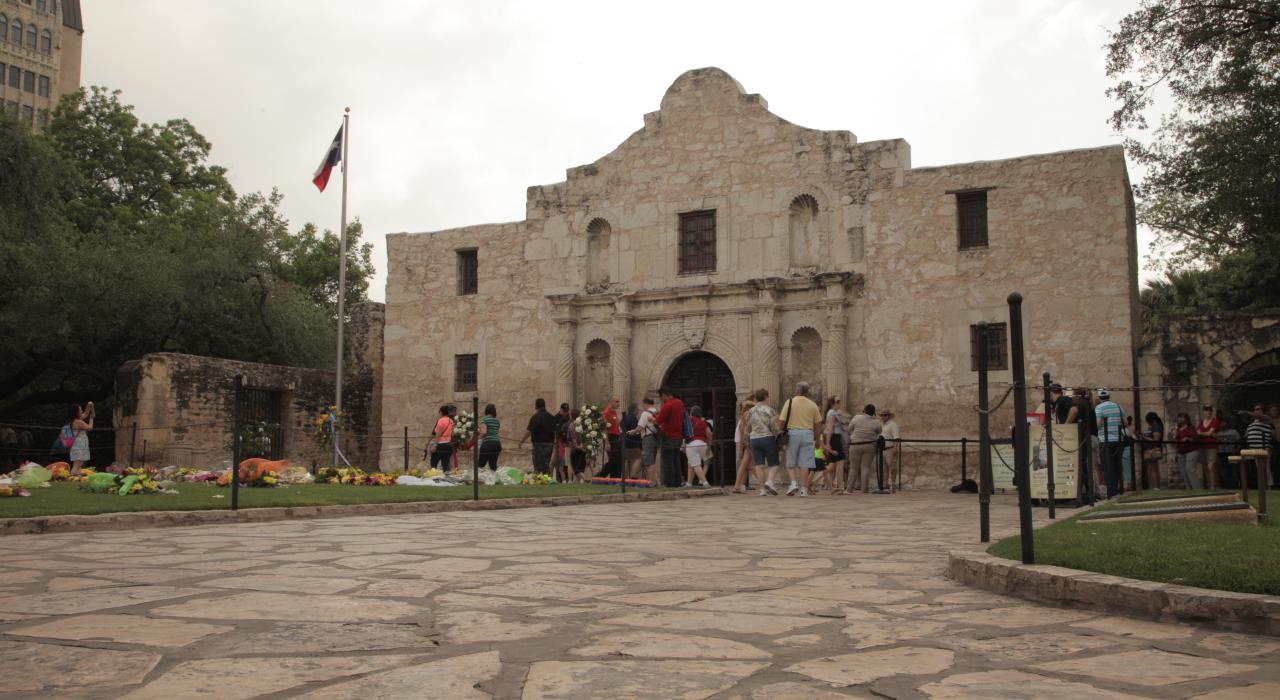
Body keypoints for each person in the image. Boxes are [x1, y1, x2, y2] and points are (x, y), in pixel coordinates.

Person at [776, 382, 823, 497]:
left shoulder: (789, 402)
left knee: (790, 461)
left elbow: (781, 421)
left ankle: (793, 483)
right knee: (805, 463)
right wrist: (818, 440)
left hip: (793, 433)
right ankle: (803, 489)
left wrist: (780, 430)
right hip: (808, 433)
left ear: (797, 390)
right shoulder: (812, 405)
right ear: (807, 391)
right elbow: (818, 425)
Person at [746, 389, 781, 496]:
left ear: (756, 398)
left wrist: (748, 441)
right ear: (766, 397)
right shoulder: (770, 410)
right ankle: (769, 482)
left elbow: (748, 428)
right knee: (774, 464)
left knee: (759, 465)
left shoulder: (750, 411)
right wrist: (779, 435)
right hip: (767, 438)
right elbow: (774, 427)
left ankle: (762, 490)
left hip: (754, 439)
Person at [1094, 389, 1126, 499]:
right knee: (1117, 465)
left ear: (1099, 398)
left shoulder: (1099, 408)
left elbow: (1097, 424)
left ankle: (1111, 491)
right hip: (1118, 440)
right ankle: (1117, 488)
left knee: (1107, 466)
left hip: (1105, 440)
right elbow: (1125, 423)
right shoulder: (1118, 406)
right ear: (1109, 396)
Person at [846, 404, 881, 493]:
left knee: (853, 468)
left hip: (855, 444)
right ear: (874, 413)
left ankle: (849, 489)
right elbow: (879, 431)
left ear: (864, 411)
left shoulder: (856, 418)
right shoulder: (876, 422)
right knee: (865, 467)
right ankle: (864, 489)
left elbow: (849, 429)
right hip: (869, 445)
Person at [655, 387, 686, 487]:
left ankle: (670, 483)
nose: (662, 399)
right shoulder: (680, 403)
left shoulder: (667, 405)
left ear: (664, 394)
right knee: (675, 460)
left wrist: (652, 418)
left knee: (668, 460)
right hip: (678, 436)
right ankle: (677, 482)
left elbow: (659, 420)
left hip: (668, 436)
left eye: (661, 397)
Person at [518, 398, 558, 475]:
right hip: (549, 444)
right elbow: (555, 431)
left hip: (538, 445)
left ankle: (540, 479)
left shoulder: (535, 417)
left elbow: (529, 431)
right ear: (544, 405)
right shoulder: (551, 417)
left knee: (538, 465)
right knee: (547, 463)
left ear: (536, 406)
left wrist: (521, 442)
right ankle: (547, 479)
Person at [1241, 404, 1275, 489]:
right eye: (1255, 409)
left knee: (1265, 468)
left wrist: (1245, 412)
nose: (1256, 411)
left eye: (1258, 409)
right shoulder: (1251, 424)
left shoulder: (1266, 419)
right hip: (1254, 449)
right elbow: (1246, 435)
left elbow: (1259, 416)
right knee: (1259, 468)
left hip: (1264, 447)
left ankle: (1269, 487)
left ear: (1263, 411)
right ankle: (1262, 487)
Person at [630, 397, 660, 484]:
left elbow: (640, 427)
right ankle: (655, 481)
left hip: (648, 438)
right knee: (649, 459)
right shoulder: (657, 412)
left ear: (646, 403)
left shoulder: (646, 413)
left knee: (649, 461)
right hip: (656, 438)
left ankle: (651, 482)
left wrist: (633, 432)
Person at [684, 405, 713, 488]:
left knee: (696, 465)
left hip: (691, 444)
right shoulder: (703, 422)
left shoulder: (688, 420)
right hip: (702, 444)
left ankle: (705, 483)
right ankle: (689, 483)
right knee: (691, 464)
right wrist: (709, 445)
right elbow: (709, 434)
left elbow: (685, 433)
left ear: (691, 412)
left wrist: (683, 445)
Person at [822, 397, 846, 494]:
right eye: (837, 401)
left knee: (832, 464)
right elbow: (830, 429)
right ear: (832, 404)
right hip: (835, 438)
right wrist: (828, 444)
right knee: (840, 463)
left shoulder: (831, 412)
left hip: (834, 438)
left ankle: (815, 481)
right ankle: (840, 487)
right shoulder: (832, 413)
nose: (839, 403)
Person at [1173, 412, 1202, 489]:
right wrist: (1176, 453)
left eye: (1182, 417)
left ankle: (1197, 488)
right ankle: (1189, 488)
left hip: (1191, 450)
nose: (1180, 419)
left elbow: (1195, 438)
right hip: (1181, 452)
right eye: (1179, 417)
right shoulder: (1178, 429)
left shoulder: (1191, 428)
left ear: (1186, 419)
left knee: (1190, 469)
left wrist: (1188, 438)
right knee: (1183, 471)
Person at [732, 399, 755, 493]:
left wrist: (741, 448)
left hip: (747, 443)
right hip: (748, 443)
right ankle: (739, 485)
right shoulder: (745, 418)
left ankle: (738, 485)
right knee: (747, 465)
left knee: (747, 465)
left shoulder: (744, 418)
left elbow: (743, 434)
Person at [1195, 404, 1220, 489]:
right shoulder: (1201, 422)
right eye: (1206, 410)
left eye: (1209, 410)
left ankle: (1213, 486)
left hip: (1211, 446)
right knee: (1204, 467)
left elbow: (1210, 433)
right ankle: (1207, 486)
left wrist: (1202, 434)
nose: (1208, 412)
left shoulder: (1214, 421)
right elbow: (1197, 433)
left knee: (1210, 467)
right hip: (1202, 446)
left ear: (1212, 411)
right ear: (1203, 411)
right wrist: (1207, 434)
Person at [65, 402, 94, 473]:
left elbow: (86, 414)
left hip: (78, 444)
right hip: (79, 444)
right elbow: (90, 428)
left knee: (79, 462)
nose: (82, 411)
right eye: (80, 410)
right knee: (78, 463)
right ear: (76, 412)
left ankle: (76, 475)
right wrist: (91, 418)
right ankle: (73, 476)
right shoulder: (78, 422)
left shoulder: (74, 420)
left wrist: (89, 406)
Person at [1215, 411, 1240, 489]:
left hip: (1231, 454)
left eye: (1224, 422)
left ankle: (1235, 488)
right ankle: (1226, 488)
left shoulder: (1233, 432)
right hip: (1221, 455)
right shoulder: (1218, 433)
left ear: (1227, 423)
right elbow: (1216, 444)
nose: (1222, 424)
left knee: (1233, 472)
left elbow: (1239, 442)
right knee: (1223, 473)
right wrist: (1217, 451)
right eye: (1221, 423)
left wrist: (1236, 450)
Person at [1141, 412, 1165, 490]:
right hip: (1149, 450)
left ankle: (1156, 487)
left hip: (1153, 449)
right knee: (1151, 469)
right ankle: (1154, 486)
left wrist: (1144, 437)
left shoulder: (1156, 427)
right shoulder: (1150, 427)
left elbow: (1156, 439)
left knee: (1154, 469)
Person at [879, 408, 901, 492]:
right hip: (883, 449)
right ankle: (885, 485)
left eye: (885, 415)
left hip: (890, 448)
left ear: (888, 416)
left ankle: (893, 484)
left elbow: (896, 437)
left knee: (892, 467)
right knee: (884, 468)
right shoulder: (881, 425)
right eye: (882, 415)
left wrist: (895, 447)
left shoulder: (893, 425)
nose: (883, 417)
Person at [428, 405, 454, 471]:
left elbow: (438, 434)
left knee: (433, 464)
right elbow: (452, 433)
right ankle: (446, 480)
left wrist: (434, 445)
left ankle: (433, 479)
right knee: (446, 465)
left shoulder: (441, 420)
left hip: (440, 445)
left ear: (441, 412)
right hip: (448, 445)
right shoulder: (451, 421)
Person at [602, 396, 623, 479]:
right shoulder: (607, 412)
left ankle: (615, 479)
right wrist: (607, 442)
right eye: (616, 401)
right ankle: (600, 476)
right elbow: (604, 428)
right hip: (611, 438)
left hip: (616, 438)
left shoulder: (614, 412)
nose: (618, 403)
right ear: (611, 402)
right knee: (614, 460)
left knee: (618, 461)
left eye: (619, 401)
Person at [477, 403, 502, 470]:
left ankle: (479, 479)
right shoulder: (497, 420)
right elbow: (495, 431)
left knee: (481, 465)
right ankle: (496, 478)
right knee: (493, 466)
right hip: (497, 444)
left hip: (487, 444)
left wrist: (477, 438)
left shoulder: (484, 419)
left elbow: (484, 432)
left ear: (486, 410)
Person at [622, 403, 641, 480]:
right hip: (633, 443)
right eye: (638, 409)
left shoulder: (624, 418)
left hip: (624, 443)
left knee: (627, 461)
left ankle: (624, 478)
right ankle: (633, 476)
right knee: (639, 459)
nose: (639, 411)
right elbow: (635, 432)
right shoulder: (633, 419)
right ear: (635, 410)